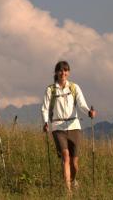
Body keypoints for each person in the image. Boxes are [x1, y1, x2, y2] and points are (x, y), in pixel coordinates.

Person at [41, 61, 96, 192]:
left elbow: (81, 104)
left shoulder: (74, 87)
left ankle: (73, 180)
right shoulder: (50, 89)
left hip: (74, 126)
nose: (63, 73)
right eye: (60, 70)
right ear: (56, 73)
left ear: (68, 72)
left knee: (74, 164)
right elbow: (44, 108)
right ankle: (68, 191)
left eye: (65, 70)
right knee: (65, 156)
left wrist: (89, 112)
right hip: (57, 127)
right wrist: (45, 122)